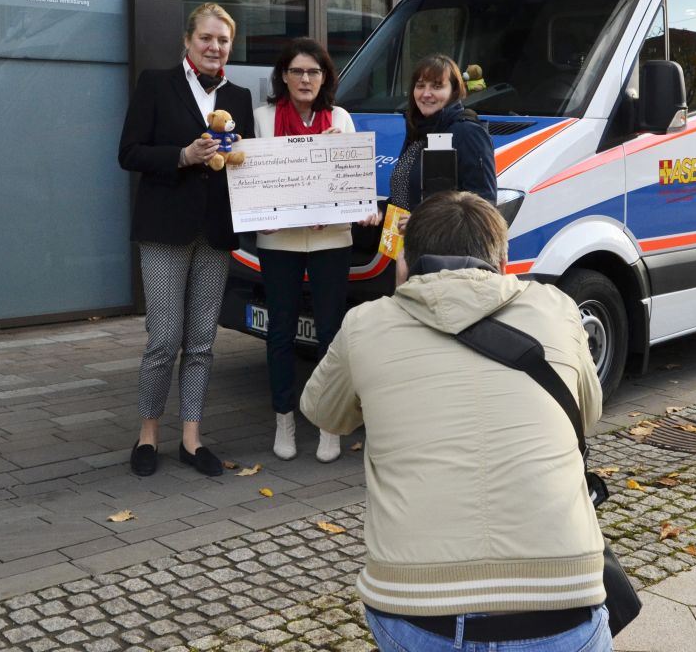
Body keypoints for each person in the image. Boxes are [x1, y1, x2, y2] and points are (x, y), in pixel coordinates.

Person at [301, 191, 610, 651]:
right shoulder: (557, 308)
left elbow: (321, 411)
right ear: (503, 260)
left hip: (417, 607)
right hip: (563, 602)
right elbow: (589, 411)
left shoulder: (366, 324)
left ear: (405, 260)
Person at [118, 3, 254, 478]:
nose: (214, 47)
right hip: (163, 230)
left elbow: (247, 165)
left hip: (214, 233)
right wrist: (182, 154)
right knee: (163, 339)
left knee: (200, 342)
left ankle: (192, 439)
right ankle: (148, 434)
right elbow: (129, 152)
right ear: (187, 40)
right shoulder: (156, 84)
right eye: (207, 39)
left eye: (223, 41)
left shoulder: (239, 94)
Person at [254, 38, 370, 463]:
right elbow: (251, 179)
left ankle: (328, 422)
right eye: (298, 71)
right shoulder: (262, 119)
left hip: (330, 238)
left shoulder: (340, 118)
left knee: (330, 333)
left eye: (314, 72)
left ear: (325, 78)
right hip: (278, 239)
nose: (306, 79)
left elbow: (354, 179)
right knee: (280, 331)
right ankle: (284, 417)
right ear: (283, 75)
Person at [369, 55, 497, 234]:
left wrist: (424, 221)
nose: (426, 93)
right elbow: (407, 197)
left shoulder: (468, 132)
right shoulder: (418, 130)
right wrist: (381, 209)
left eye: (437, 86)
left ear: (454, 91)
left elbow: (484, 206)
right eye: (420, 86)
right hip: (407, 251)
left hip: (446, 255)